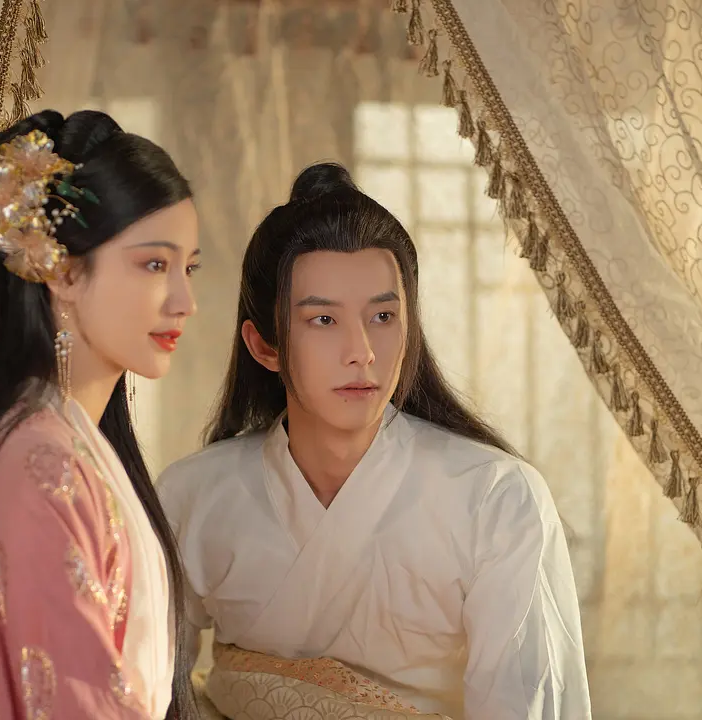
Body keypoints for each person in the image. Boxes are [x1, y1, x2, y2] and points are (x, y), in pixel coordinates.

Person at [157, 163, 591, 720]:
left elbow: (524, 705)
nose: (361, 351)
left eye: (383, 315)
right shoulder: (193, 494)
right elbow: (146, 690)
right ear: (264, 345)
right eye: (323, 320)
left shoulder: (495, 498)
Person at [0, 109, 201, 720]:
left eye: (188, 267)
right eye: (155, 264)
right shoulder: (39, 462)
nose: (185, 301)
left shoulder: (62, 445)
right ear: (63, 271)